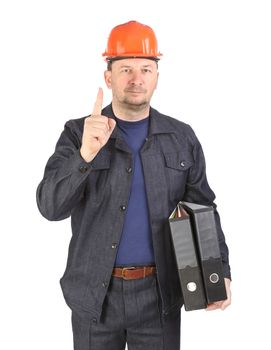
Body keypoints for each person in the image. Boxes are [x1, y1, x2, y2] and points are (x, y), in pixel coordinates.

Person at [36, 20, 231, 350]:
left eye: (146, 68)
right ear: (108, 76)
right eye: (125, 69)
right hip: (95, 297)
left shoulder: (181, 138)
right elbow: (50, 207)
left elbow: (202, 207)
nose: (136, 79)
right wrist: (86, 154)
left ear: (157, 76)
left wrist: (218, 271)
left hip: (159, 294)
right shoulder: (77, 133)